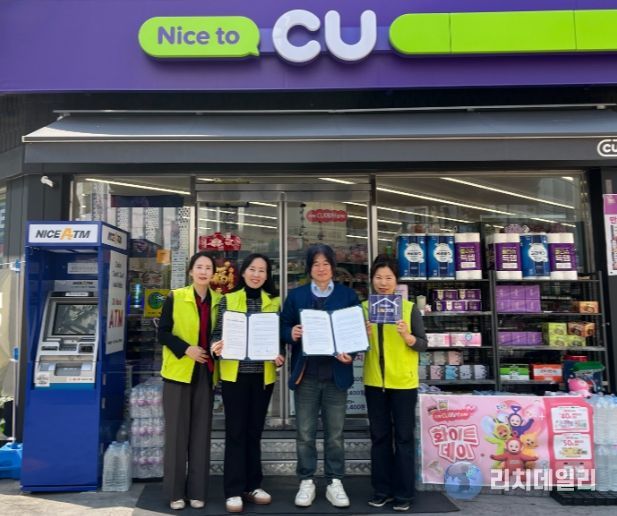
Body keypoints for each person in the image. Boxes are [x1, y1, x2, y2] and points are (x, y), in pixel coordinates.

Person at [281, 243, 360, 509]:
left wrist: (352, 354)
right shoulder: (297, 296)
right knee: (305, 433)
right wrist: (291, 333)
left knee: (335, 435)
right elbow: (283, 325)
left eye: (326, 263)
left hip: (337, 375)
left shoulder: (348, 296)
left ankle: (334, 481)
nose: (321, 268)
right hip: (307, 375)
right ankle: (306, 480)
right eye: (316, 264)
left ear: (333, 267)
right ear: (309, 269)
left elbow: (356, 332)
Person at [210, 253, 285, 513]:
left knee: (254, 432)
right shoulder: (228, 299)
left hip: (262, 377)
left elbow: (278, 339)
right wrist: (215, 346)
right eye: (252, 269)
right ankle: (233, 490)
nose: (256, 274)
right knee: (236, 432)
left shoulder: (274, 302)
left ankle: (253, 485)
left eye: (262, 270)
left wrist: (279, 355)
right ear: (243, 272)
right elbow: (216, 334)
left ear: (267, 276)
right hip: (235, 376)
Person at [362, 255, 427, 512]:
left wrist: (408, 337)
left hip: (404, 384)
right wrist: (362, 335)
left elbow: (422, 344)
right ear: (372, 280)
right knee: (379, 438)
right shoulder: (364, 308)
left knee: (403, 438)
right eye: (378, 277)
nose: (383, 283)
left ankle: (404, 494)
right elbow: (353, 346)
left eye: (388, 278)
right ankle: (382, 490)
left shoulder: (409, 309)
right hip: (374, 383)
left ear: (396, 281)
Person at [158, 251, 222, 511]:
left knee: (200, 435)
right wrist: (186, 349)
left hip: (206, 373)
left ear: (213, 273)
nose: (204, 271)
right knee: (176, 436)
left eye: (208, 267)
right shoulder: (175, 297)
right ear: (191, 271)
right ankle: (175, 493)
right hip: (178, 374)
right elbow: (162, 333)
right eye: (199, 267)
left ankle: (197, 491)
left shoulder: (219, 301)